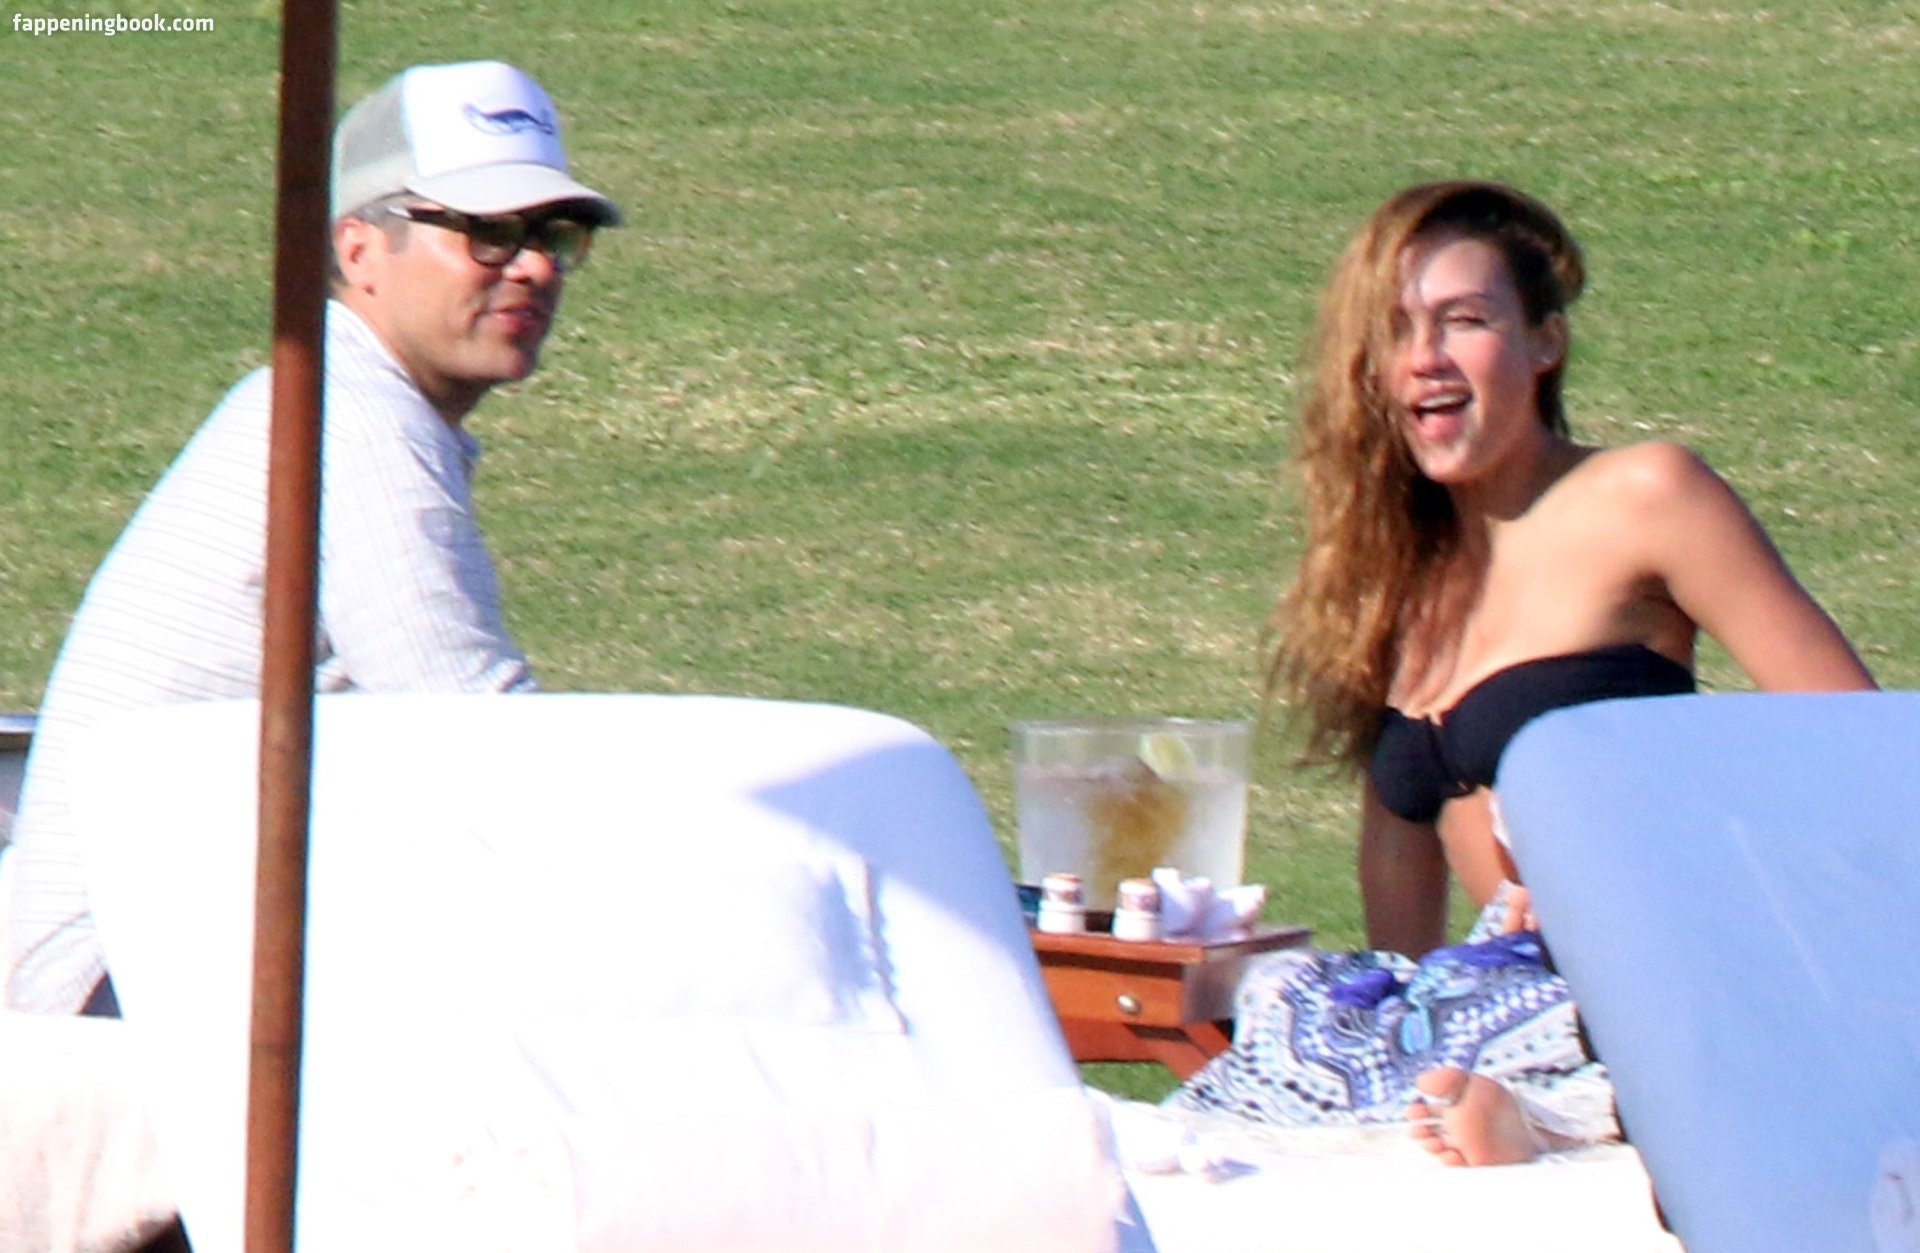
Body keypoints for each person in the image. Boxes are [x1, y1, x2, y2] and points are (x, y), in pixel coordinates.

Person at [1165, 180, 1875, 1165]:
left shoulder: (1644, 495)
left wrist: (1633, 841)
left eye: (1465, 320)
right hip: (1491, 994)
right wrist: (1403, 1047)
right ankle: (1482, 1099)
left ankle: (1559, 1117)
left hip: (1650, 963)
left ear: (1545, 342)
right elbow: (1399, 866)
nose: (1425, 355)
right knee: (1291, 1026)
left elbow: (1861, 745)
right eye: (1397, 329)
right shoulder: (1387, 576)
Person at [2, 60, 622, 1016]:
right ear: (360, 248)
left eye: (554, 234)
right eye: (489, 233)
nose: (534, 266)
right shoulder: (354, 422)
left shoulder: (339, 403)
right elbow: (474, 733)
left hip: (161, 959)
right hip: (121, 989)